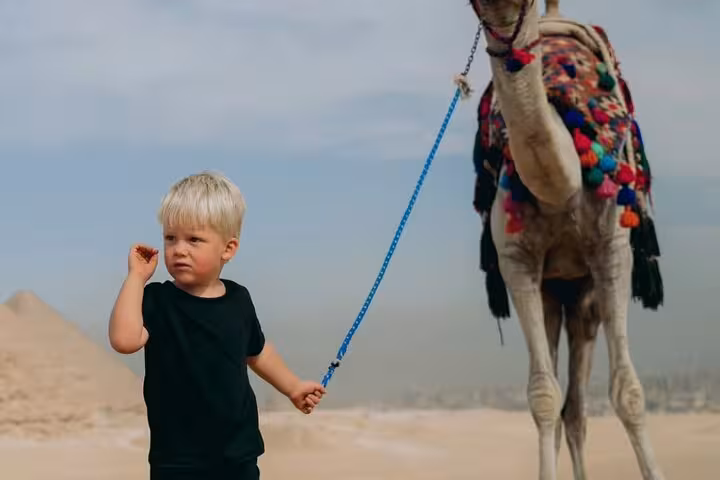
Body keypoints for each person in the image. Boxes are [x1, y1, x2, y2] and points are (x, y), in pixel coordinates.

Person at [108, 171, 326, 480]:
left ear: (228, 248)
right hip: (178, 459)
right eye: (170, 238)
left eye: (194, 239)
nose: (179, 249)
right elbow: (124, 340)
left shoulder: (239, 299)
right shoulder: (157, 299)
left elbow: (257, 352)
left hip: (238, 454)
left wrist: (292, 387)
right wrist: (135, 278)